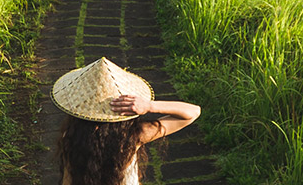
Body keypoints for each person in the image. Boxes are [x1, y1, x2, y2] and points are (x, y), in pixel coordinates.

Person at [53, 58, 201, 185]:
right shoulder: (133, 137)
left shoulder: (72, 137)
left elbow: (68, 180)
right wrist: (150, 106)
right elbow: (193, 112)